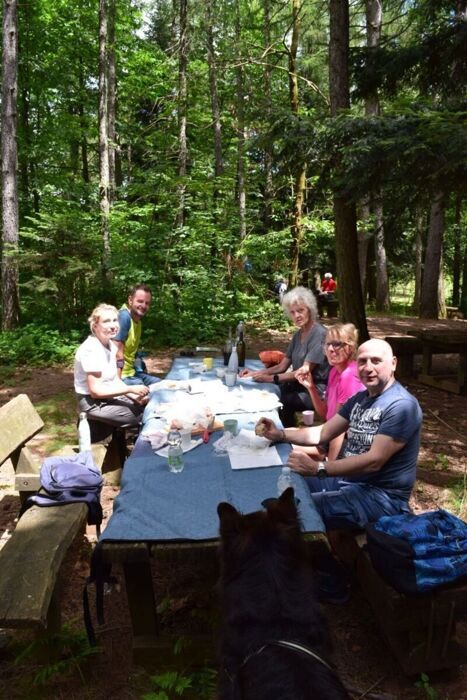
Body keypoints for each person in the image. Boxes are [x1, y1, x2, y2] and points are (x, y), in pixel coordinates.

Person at [258, 339, 423, 531]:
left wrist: (318, 468)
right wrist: (280, 434)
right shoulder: (361, 398)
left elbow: (374, 460)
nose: (368, 368)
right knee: (283, 482)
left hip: (380, 497)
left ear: (393, 363)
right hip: (347, 479)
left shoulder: (401, 405)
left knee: (289, 513)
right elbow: (324, 432)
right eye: (362, 361)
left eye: (376, 361)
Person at [240, 286, 329, 427]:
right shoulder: (298, 334)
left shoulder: (319, 334)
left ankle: (282, 437)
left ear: (310, 310)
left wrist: (271, 378)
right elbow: (282, 366)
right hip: (297, 386)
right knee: (262, 391)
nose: (296, 316)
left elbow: (303, 372)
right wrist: (256, 373)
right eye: (292, 312)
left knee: (281, 400)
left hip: (315, 391)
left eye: (300, 310)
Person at [295, 323, 365, 460]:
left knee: (287, 448)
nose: (331, 349)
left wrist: (330, 468)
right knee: (284, 435)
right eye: (328, 344)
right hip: (329, 433)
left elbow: (339, 429)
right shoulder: (334, 371)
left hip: (347, 443)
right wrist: (311, 388)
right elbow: (325, 414)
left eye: (337, 344)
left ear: (350, 348)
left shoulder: (349, 375)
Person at [74, 304, 149, 429]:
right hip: (92, 403)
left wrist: (134, 397)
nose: (113, 325)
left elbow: (114, 380)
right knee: (142, 416)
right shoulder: (91, 349)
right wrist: (130, 389)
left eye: (115, 320)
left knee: (146, 406)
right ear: (95, 325)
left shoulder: (111, 345)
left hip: (108, 397)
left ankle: (120, 446)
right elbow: (96, 392)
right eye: (106, 321)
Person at [114, 284, 159, 387]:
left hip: (133, 372)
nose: (143, 306)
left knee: (162, 385)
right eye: (140, 301)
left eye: (147, 303)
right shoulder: (124, 317)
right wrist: (117, 384)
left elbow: (132, 352)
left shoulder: (138, 321)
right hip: (122, 376)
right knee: (146, 394)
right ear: (130, 300)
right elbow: (116, 353)